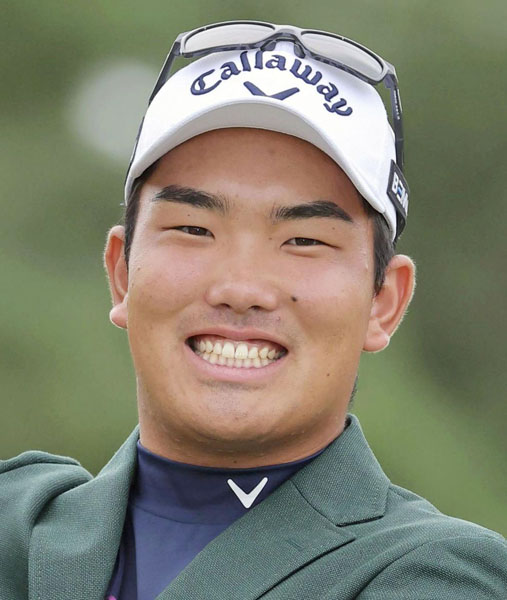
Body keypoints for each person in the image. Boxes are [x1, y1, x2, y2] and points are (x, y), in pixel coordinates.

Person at [1, 21, 505, 600]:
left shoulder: (439, 574)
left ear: (383, 303)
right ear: (121, 274)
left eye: (304, 240)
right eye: (193, 229)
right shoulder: (18, 526)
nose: (240, 288)